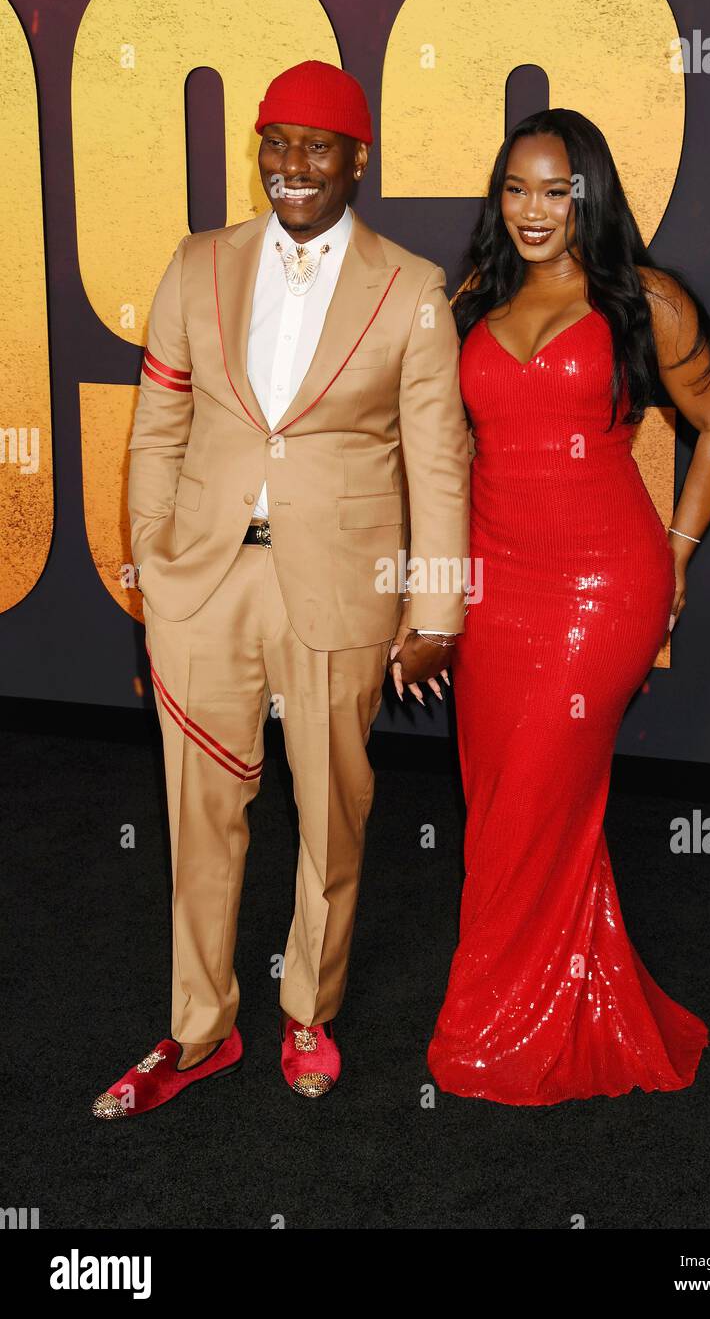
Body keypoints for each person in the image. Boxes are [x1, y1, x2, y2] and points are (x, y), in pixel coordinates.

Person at [92, 60, 470, 1117]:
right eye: (274, 141)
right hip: (203, 580)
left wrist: (436, 609)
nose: (291, 164)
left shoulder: (413, 289)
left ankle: (309, 1007)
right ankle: (199, 1027)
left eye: (316, 145)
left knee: (332, 809)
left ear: (358, 160)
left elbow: (439, 464)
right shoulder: (197, 262)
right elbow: (158, 426)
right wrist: (153, 559)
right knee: (196, 809)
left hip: (341, 586)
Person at [426, 108, 710, 1107]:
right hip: (492, 589)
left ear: (588, 196)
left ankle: (496, 1023)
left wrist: (679, 553)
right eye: (515, 189)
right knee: (503, 802)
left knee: (535, 797)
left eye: (555, 191)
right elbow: (442, 452)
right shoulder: (475, 299)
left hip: (601, 590)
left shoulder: (644, 298)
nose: (533, 210)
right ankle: (562, 991)